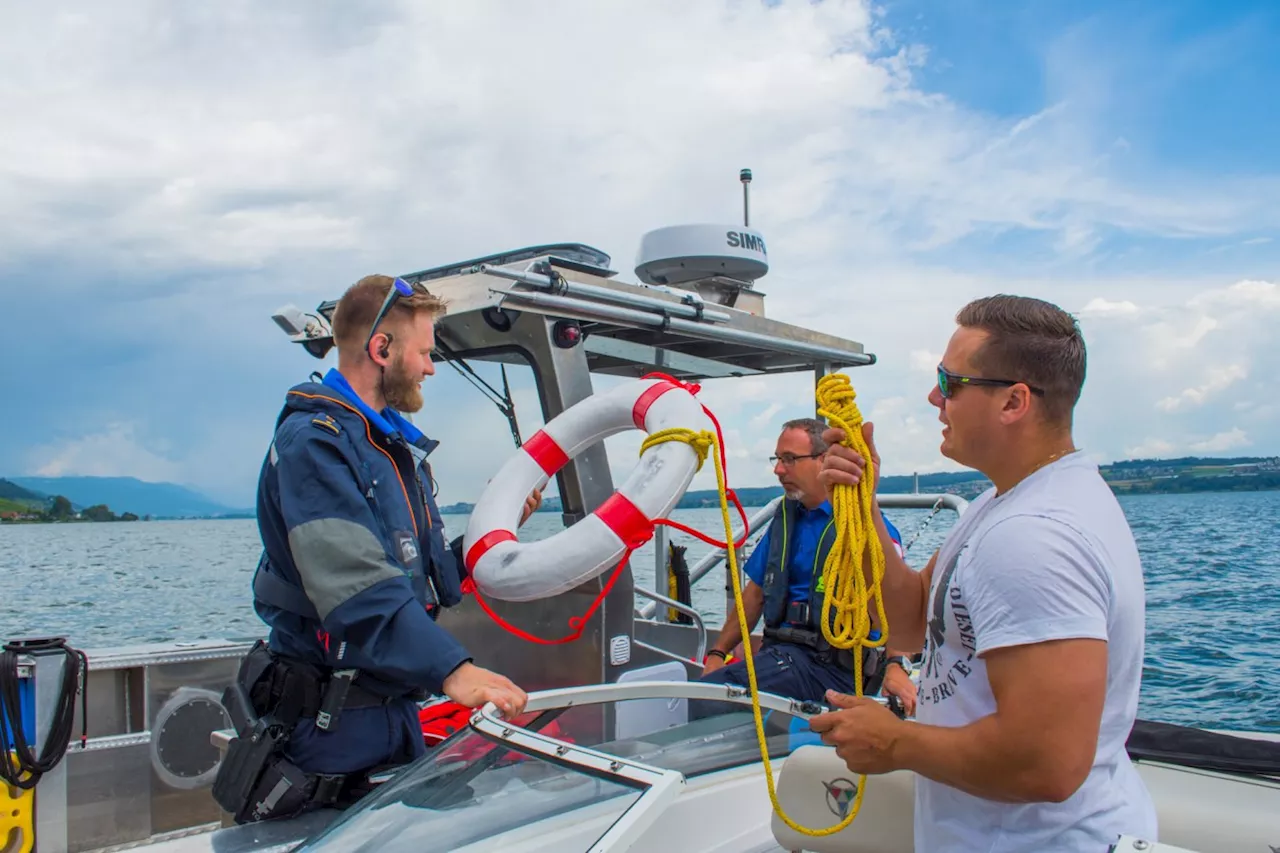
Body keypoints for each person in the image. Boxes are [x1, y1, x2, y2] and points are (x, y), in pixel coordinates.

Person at [809, 295, 1157, 852]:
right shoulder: (1001, 506)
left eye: (950, 383)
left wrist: (895, 742)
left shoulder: (1034, 535)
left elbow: (1047, 765)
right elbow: (908, 625)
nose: (933, 397)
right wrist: (865, 502)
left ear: (1014, 402)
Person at [213, 274, 538, 824]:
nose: (431, 368)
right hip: (328, 729)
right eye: (425, 353)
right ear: (382, 349)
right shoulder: (315, 442)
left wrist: (497, 522)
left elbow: (423, 576)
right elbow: (357, 587)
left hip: (391, 715)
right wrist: (453, 671)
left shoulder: (386, 445)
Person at [698, 418, 919, 716]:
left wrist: (896, 665)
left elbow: (894, 603)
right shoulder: (786, 522)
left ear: (825, 460)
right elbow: (755, 595)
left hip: (829, 669)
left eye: (789, 459)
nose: (778, 469)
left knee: (711, 697)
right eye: (777, 459)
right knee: (710, 686)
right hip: (780, 655)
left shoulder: (862, 529)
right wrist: (717, 653)